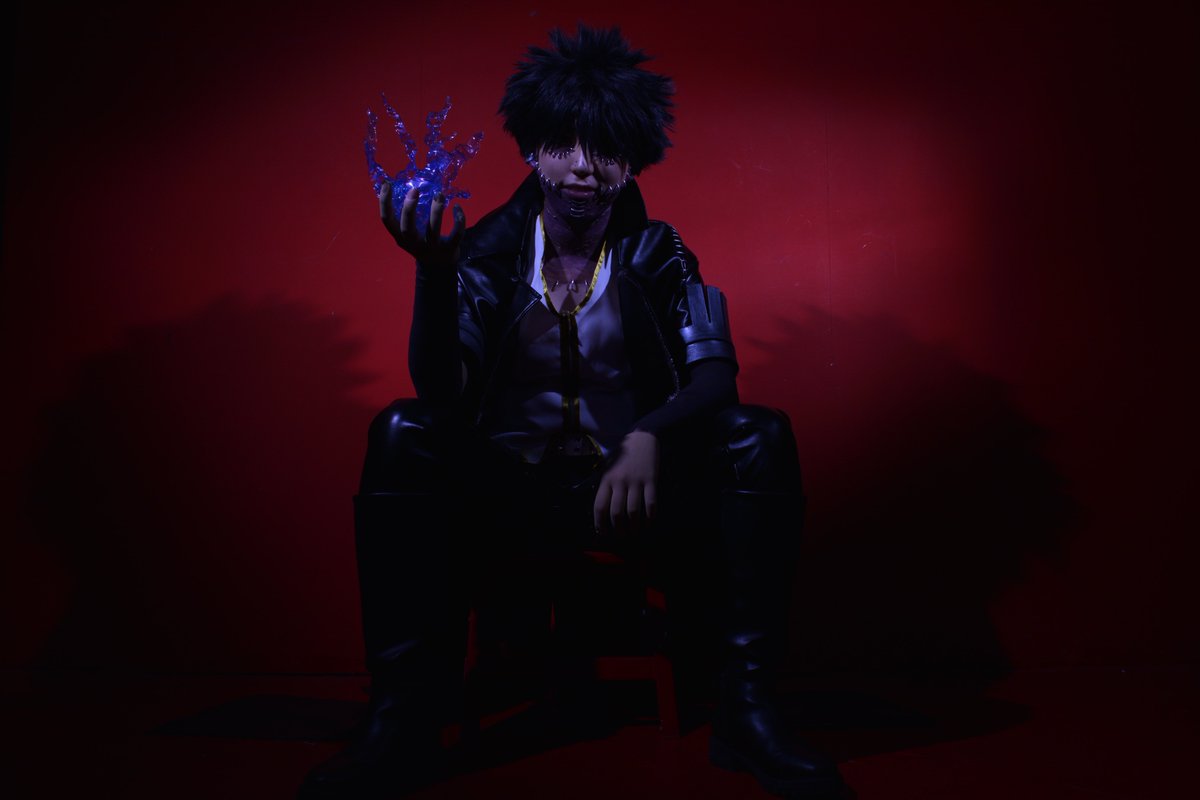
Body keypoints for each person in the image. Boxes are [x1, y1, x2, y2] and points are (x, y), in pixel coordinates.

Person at [299, 24, 847, 799]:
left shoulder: (659, 252)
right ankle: (402, 723)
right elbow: (441, 393)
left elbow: (717, 381)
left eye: (606, 148)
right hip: (508, 495)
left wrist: (649, 435)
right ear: (532, 150)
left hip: (630, 499)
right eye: (563, 145)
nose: (584, 166)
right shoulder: (488, 253)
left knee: (759, 436)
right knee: (402, 430)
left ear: (633, 160)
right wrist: (435, 272)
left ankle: (747, 712)